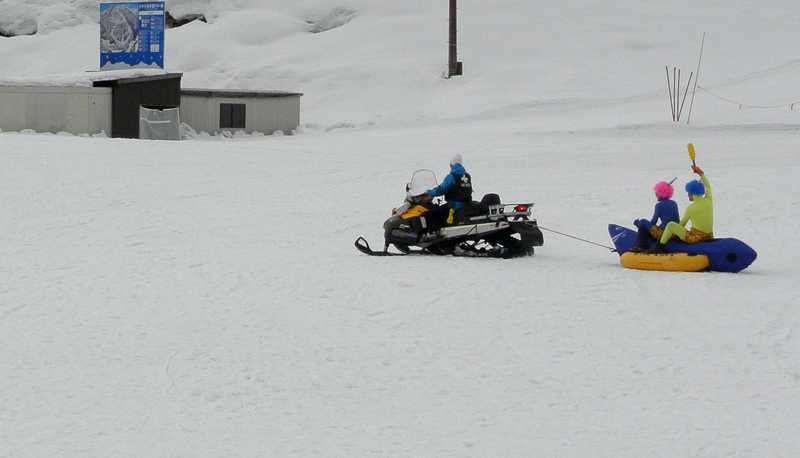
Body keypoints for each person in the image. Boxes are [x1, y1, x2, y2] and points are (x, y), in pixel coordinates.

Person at [656, 165, 713, 251]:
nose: (688, 195)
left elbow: (681, 224)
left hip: (696, 239)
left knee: (671, 225)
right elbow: (708, 186)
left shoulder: (691, 208)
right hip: (709, 236)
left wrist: (668, 232)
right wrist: (701, 174)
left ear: (692, 193)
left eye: (688, 193)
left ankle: (660, 247)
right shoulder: (708, 200)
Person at [425, 153, 473, 226]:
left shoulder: (451, 177)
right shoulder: (467, 176)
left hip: (454, 206)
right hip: (467, 204)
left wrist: (429, 193)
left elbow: (441, 190)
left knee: (433, 212)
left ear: (452, 165)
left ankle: (435, 234)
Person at [632, 181, 680, 250]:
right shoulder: (674, 203)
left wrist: (638, 224)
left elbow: (653, 223)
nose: (655, 194)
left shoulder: (659, 206)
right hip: (675, 233)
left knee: (643, 221)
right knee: (660, 225)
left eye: (657, 192)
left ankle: (641, 246)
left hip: (664, 235)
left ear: (661, 193)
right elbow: (673, 220)